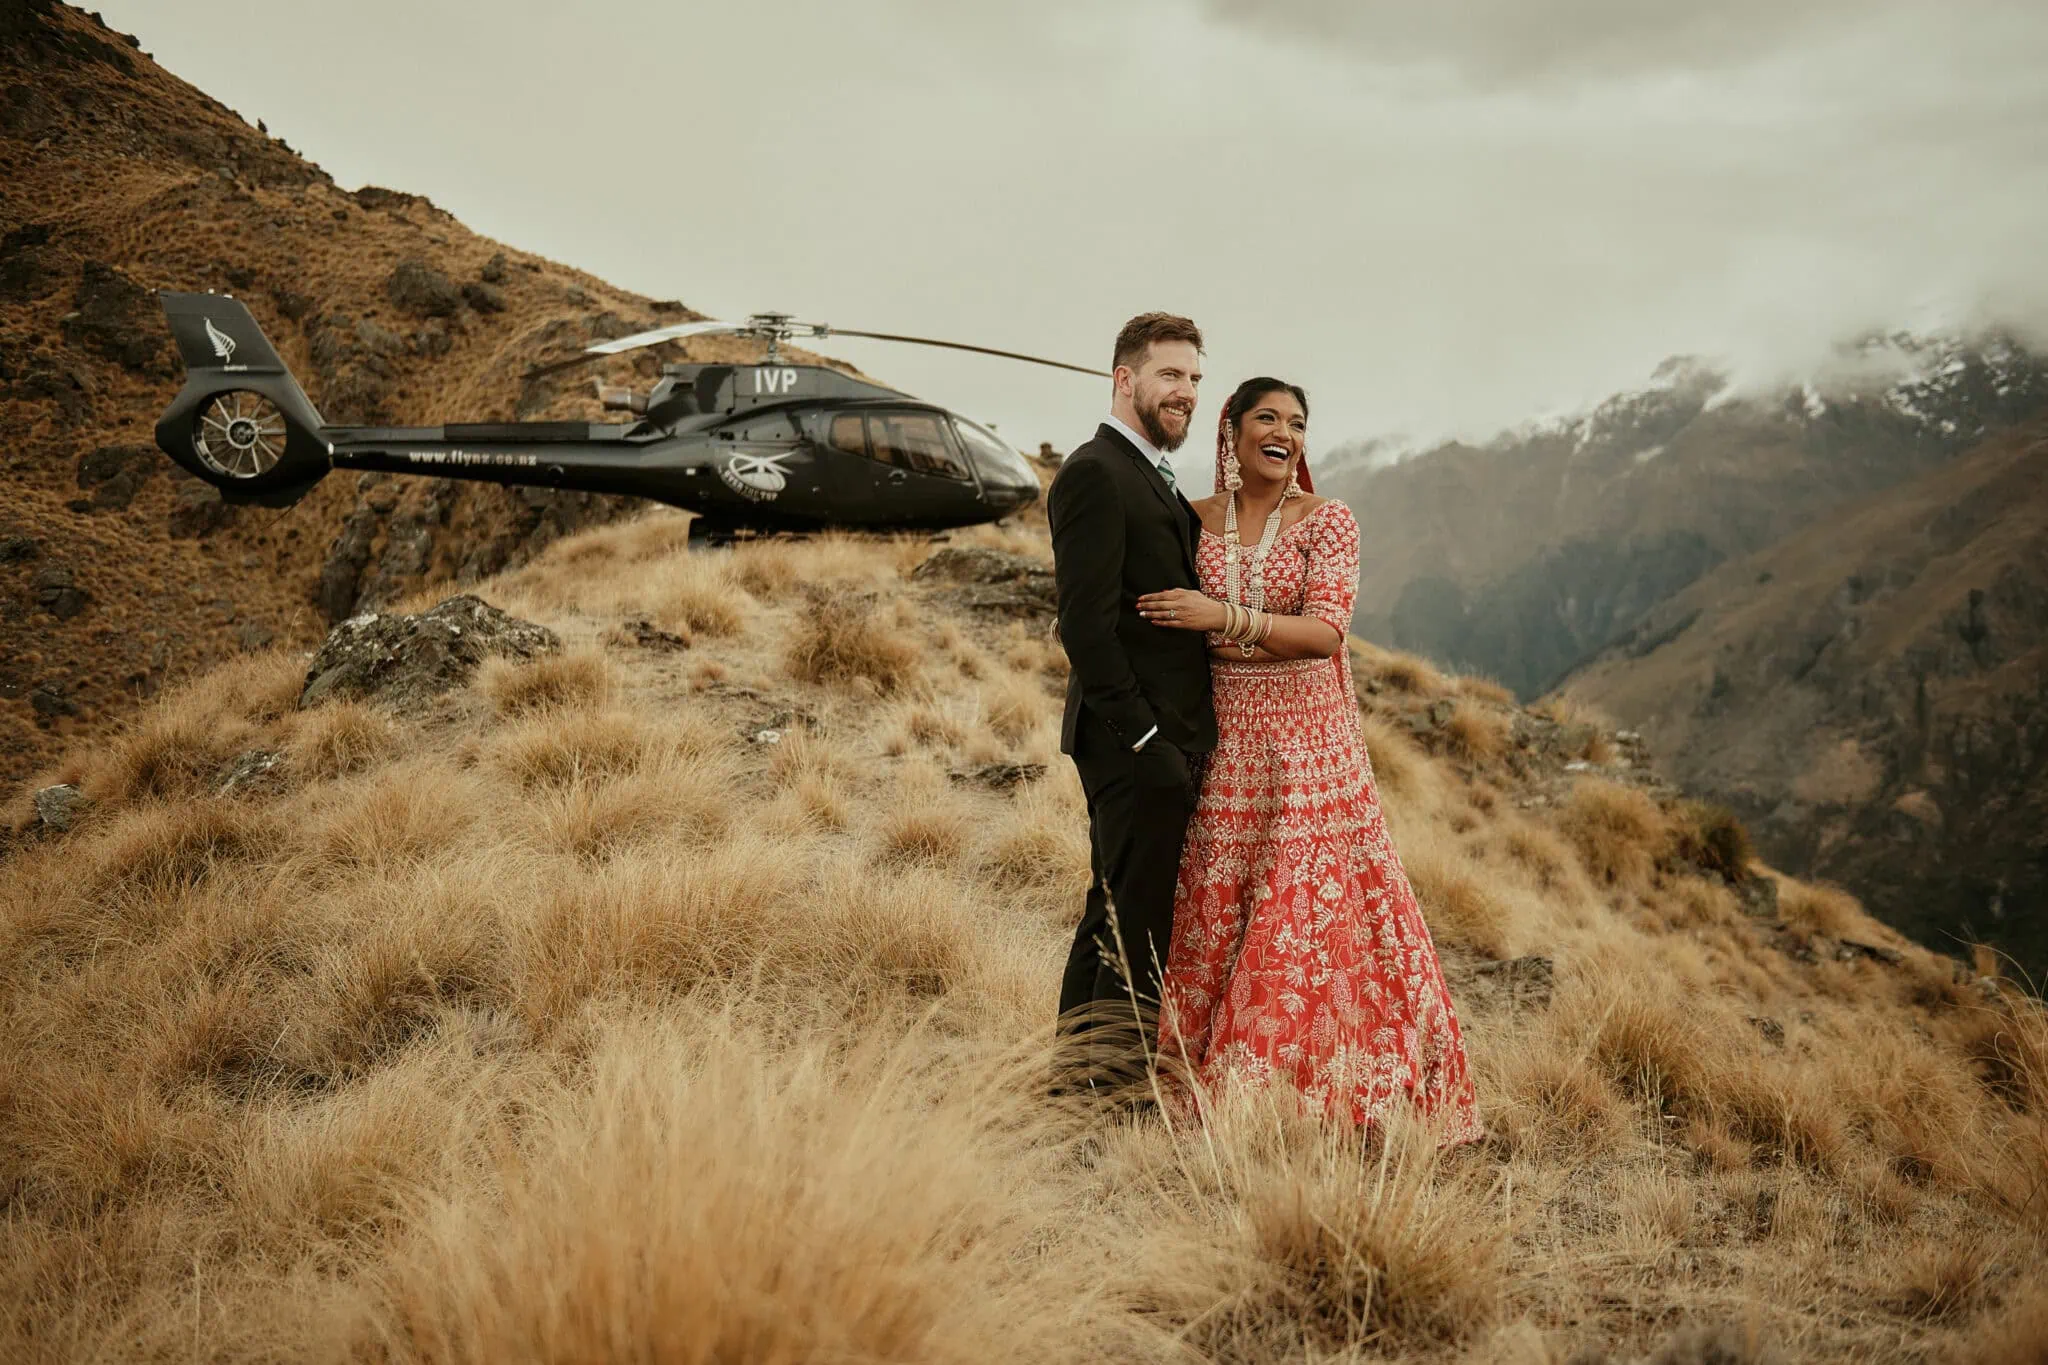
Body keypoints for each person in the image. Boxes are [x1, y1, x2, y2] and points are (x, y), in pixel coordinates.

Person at [1135, 377, 1482, 1145]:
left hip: (1310, 745)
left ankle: (1328, 1083)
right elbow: (1168, 619)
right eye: (1269, 418)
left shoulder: (1330, 522)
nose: (1285, 433)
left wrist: (1220, 619)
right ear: (1232, 430)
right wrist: (1239, 632)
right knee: (1223, 898)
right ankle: (1203, 1075)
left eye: (1297, 423)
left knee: (1310, 909)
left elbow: (1325, 633)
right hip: (1225, 737)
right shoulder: (1188, 520)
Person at [1047, 312, 1217, 1096]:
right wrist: (1147, 739)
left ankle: (1076, 1080)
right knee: (1135, 915)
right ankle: (1109, 1093)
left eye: (1193, 378)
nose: (1185, 392)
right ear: (1125, 378)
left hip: (1155, 736)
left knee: (1117, 902)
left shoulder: (1149, 470)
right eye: (1170, 375)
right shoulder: (1095, 472)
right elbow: (1083, 625)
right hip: (1130, 738)